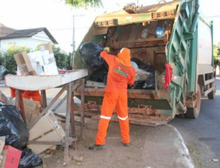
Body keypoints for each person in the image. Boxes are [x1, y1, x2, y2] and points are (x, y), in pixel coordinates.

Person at [89, 47, 136, 150]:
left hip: (111, 93)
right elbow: (131, 82)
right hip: (122, 95)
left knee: (105, 117)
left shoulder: (113, 60)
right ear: (129, 56)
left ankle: (100, 142)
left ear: (120, 54)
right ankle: (126, 140)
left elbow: (102, 54)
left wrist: (104, 49)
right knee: (123, 117)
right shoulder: (131, 69)